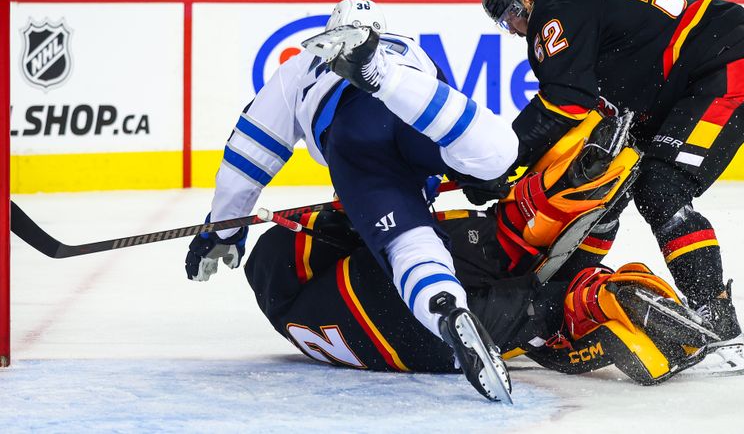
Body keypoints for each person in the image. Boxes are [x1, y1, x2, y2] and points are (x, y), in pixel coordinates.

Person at [185, 0, 518, 402]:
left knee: (408, 242)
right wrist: (460, 177)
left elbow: (247, 158)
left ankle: (447, 310)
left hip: (355, 132)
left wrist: (225, 227)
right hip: (412, 97)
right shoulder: (413, 47)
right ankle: (398, 87)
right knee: (497, 154)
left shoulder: (300, 66)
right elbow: (442, 122)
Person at [242, 121, 714, 386]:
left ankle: (596, 302)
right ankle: (588, 281)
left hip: (432, 350)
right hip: (385, 297)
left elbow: (293, 253)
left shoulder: (293, 311)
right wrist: (348, 216)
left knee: (540, 303)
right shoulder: (289, 270)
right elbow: (337, 235)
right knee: (502, 241)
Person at [480, 0, 744, 376]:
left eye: (509, 13)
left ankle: (716, 314)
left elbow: (565, 101)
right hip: (685, 80)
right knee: (606, 187)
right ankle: (559, 299)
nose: (510, 27)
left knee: (661, 188)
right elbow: (579, 108)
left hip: (723, 67)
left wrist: (502, 159)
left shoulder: (554, 13)